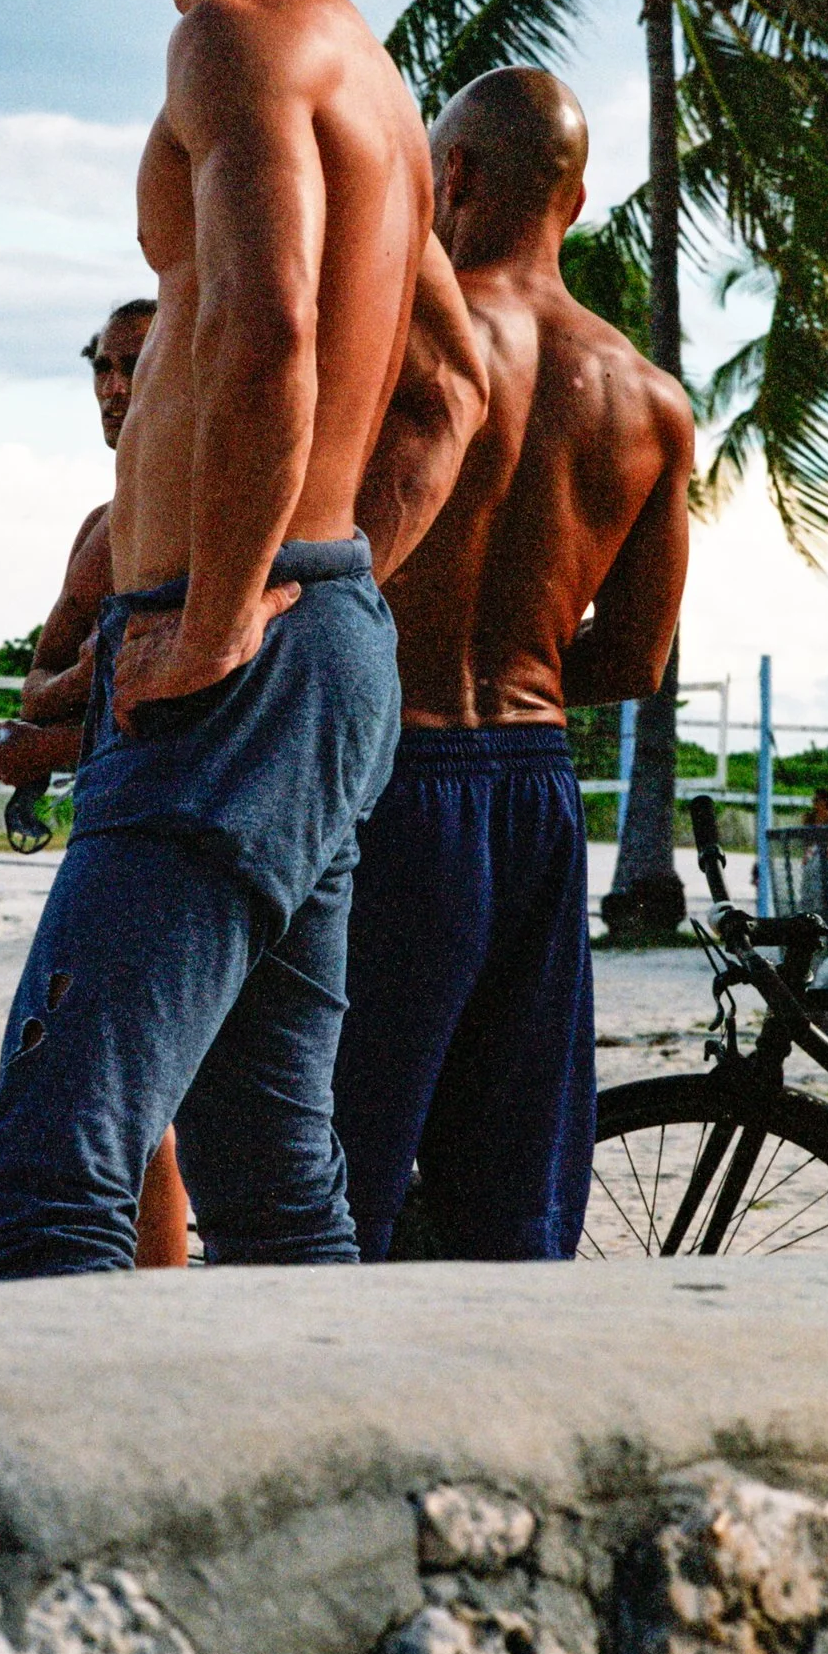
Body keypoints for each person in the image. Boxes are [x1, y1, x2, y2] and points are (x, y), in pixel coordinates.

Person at [0, 0, 476, 1279]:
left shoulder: (239, 45)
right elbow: (446, 390)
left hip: (236, 658)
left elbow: (270, 337)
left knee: (50, 1166)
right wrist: (324, 590)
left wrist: (230, 611)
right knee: (269, 1185)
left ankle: (56, 1537)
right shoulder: (372, 77)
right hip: (305, 651)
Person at [333, 69, 692, 1262]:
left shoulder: (406, 338)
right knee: (517, 1190)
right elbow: (635, 656)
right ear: (577, 200)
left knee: (341, 1161)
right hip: (535, 791)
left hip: (391, 769)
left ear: (458, 179)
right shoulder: (652, 400)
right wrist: (526, 671)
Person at [0, 295, 197, 1263]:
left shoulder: (216, 505)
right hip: (120, 817)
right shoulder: (104, 528)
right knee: (140, 1111)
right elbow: (41, 683)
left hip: (185, 831)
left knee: (143, 1101)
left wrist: (65, 718)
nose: (113, 387)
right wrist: (105, 660)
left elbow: (183, 718)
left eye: (132, 363)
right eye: (100, 367)